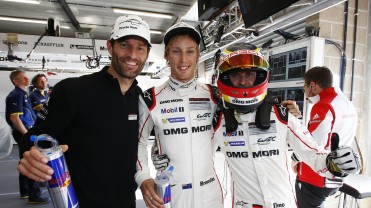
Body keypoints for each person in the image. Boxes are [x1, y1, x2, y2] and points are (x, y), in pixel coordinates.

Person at [152, 44, 360, 208]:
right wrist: (161, 154)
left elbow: (314, 156)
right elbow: (190, 147)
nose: (243, 82)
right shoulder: (218, 122)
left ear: (259, 76)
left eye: (249, 74)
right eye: (236, 75)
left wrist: (335, 163)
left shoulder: (281, 115)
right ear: (224, 78)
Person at [17, 15, 151, 208]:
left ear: (147, 54)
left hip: (127, 202)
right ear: (110, 46)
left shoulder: (140, 98)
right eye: (124, 45)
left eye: (140, 48)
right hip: (79, 203)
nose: (132, 54)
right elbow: (34, 137)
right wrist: (31, 154)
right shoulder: (72, 90)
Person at [136, 22, 223, 208]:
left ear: (198, 56)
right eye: (176, 51)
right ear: (166, 55)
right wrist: (143, 177)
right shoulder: (150, 98)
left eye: (190, 51)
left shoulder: (215, 95)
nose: (183, 59)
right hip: (170, 193)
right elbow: (138, 141)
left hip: (210, 194)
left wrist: (284, 112)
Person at [294, 66, 359, 208]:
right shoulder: (346, 103)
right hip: (336, 174)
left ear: (312, 85)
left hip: (316, 177)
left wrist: (295, 157)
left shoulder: (323, 105)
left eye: (304, 87)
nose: (305, 93)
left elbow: (313, 144)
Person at [5, 69, 49, 204]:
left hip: (27, 131)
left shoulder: (22, 94)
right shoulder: (17, 94)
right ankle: (34, 195)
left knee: (25, 159)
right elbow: (15, 118)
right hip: (24, 132)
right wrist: (26, 134)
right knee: (33, 161)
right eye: (23, 78)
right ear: (15, 81)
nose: (27, 79)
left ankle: (25, 191)